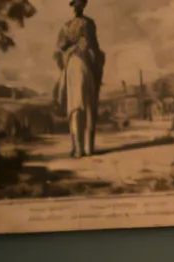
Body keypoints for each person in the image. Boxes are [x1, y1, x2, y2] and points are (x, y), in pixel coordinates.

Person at [54, 0, 105, 158]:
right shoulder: (71, 25)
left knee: (81, 106)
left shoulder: (84, 23)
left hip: (80, 64)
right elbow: (62, 45)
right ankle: (81, 148)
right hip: (77, 64)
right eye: (75, 5)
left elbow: (63, 45)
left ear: (82, 6)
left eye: (79, 5)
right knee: (81, 106)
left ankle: (83, 148)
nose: (77, 8)